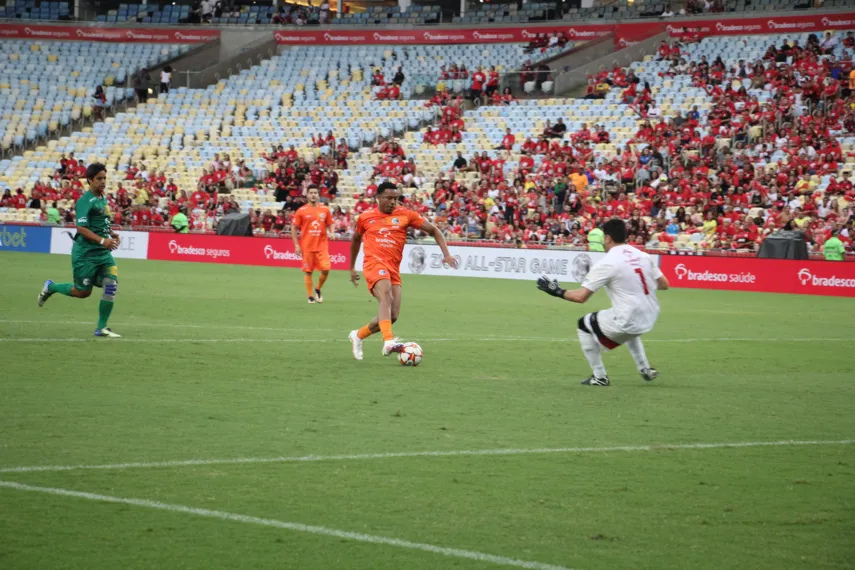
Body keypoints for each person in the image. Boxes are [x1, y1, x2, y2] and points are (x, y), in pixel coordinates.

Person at [536, 219, 669, 386]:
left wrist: (556, 291)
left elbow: (581, 297)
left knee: (584, 325)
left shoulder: (608, 262)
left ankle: (599, 377)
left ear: (607, 238)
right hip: (650, 315)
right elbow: (664, 285)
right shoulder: (643, 255)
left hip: (629, 318)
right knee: (628, 328)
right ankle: (645, 369)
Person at [348, 181, 458, 360]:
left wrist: (446, 254)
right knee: (386, 297)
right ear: (378, 198)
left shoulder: (406, 215)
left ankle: (358, 335)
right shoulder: (365, 217)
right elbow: (355, 240)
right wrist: (352, 267)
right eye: (389, 198)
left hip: (393, 268)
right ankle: (388, 342)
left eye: (396, 198)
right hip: (373, 264)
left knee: (393, 315)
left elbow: (434, 230)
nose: (393, 202)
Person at [37, 163, 122, 338]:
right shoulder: (85, 201)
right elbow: (81, 228)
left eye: (104, 178)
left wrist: (111, 234)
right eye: (99, 178)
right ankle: (51, 287)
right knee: (82, 292)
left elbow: (101, 223)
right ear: (90, 180)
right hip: (85, 254)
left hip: (103, 254)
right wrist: (102, 240)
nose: (103, 181)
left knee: (111, 284)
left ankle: (101, 328)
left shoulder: (103, 198)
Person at [291, 185, 334, 304]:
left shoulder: (325, 210)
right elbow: (294, 228)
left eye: (315, 192)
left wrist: (332, 232)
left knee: (326, 269)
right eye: (311, 193)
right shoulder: (302, 210)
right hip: (307, 246)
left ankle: (318, 288)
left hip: (322, 246)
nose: (313, 195)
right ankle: (310, 296)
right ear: (307, 195)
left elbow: (330, 223)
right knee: (308, 271)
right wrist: (296, 245)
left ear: (318, 195)